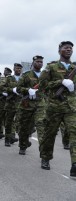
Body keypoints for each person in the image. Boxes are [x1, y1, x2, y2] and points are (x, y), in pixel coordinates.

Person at [39, 41, 76, 177]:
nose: (69, 50)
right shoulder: (51, 67)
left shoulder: (74, 67)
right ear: (59, 50)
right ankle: (45, 158)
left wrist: (73, 87)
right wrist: (60, 82)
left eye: (71, 48)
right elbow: (43, 85)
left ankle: (74, 164)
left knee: (74, 134)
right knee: (50, 134)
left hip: (71, 107)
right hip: (54, 107)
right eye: (66, 48)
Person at [16, 56, 46, 154]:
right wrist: (28, 90)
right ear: (33, 63)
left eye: (41, 62)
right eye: (37, 61)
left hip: (40, 104)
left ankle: (44, 153)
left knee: (41, 126)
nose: (39, 63)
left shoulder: (45, 75)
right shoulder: (26, 75)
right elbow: (18, 88)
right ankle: (23, 146)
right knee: (24, 127)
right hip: (27, 104)